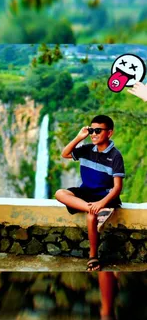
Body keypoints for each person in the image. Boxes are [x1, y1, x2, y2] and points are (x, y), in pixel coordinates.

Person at [55, 115, 125, 271]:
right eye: (92, 130)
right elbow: (65, 154)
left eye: (98, 131)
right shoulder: (87, 149)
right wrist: (79, 137)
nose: (93, 134)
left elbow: (117, 187)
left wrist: (101, 203)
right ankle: (89, 207)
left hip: (104, 196)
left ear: (109, 133)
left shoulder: (115, 156)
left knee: (91, 216)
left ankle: (93, 257)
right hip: (86, 193)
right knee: (60, 193)